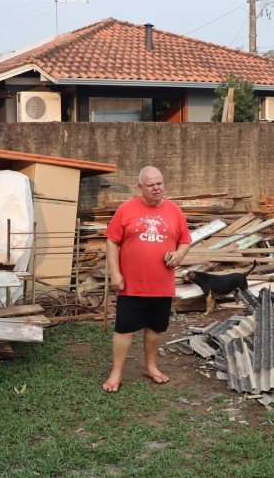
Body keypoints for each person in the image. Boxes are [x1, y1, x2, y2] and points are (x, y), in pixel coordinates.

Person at [101, 166, 192, 392]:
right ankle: (116, 372)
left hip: (162, 285)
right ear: (140, 187)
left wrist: (180, 254)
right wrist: (115, 273)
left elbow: (185, 240)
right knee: (124, 329)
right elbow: (112, 240)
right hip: (131, 284)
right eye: (151, 184)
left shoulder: (174, 211)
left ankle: (150, 366)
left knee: (156, 328)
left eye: (159, 183)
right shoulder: (126, 209)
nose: (156, 188)